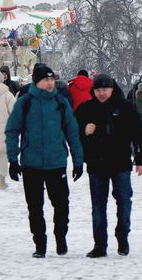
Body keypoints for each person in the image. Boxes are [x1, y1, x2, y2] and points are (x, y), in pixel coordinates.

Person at [6, 63, 84, 257]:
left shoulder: (60, 102)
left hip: (56, 162)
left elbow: (72, 132)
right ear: (37, 82)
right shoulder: (25, 103)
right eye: (46, 80)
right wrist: (13, 160)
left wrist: (78, 161)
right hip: (31, 164)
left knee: (61, 205)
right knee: (34, 207)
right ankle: (40, 244)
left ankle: (60, 238)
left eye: (52, 79)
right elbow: (12, 130)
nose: (50, 83)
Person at [75, 73, 142, 257]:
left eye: (105, 90)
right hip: (96, 164)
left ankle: (122, 236)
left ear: (112, 89)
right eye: (98, 90)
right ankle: (100, 245)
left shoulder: (124, 107)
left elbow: (140, 134)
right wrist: (84, 131)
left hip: (120, 163)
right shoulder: (87, 109)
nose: (101, 93)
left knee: (124, 202)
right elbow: (74, 135)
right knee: (98, 206)